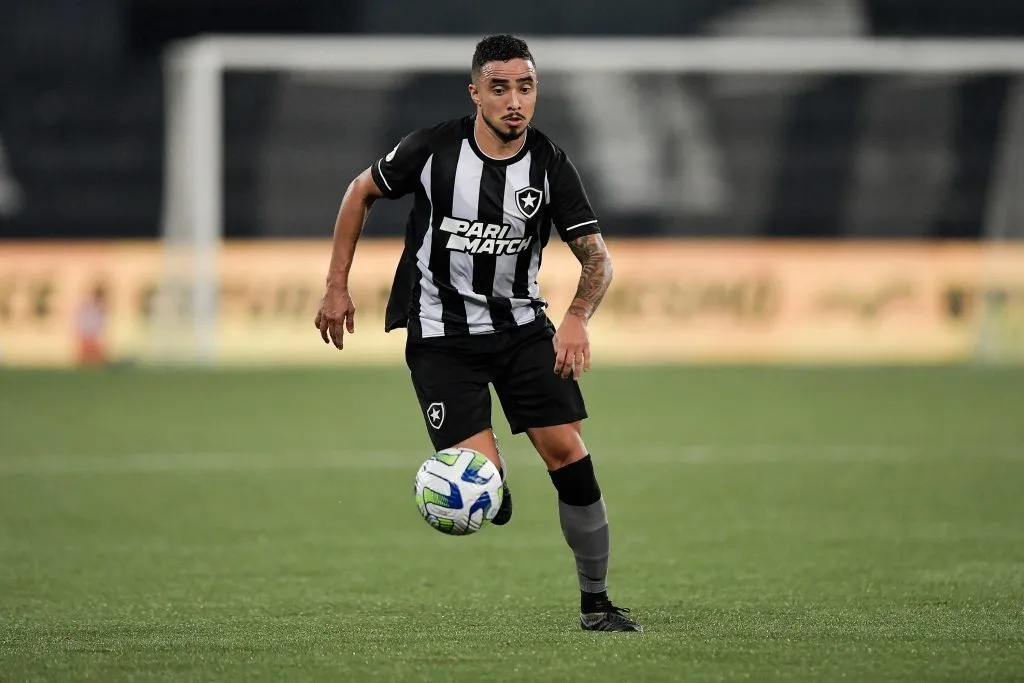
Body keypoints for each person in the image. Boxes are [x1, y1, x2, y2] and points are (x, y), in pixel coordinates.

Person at [314, 34, 642, 633]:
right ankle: (492, 479)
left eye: (525, 87)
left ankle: (596, 603)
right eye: (499, 88)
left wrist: (574, 319)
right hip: (440, 336)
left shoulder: (549, 164)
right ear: (476, 94)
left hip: (521, 330)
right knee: (479, 487)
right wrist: (337, 286)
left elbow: (598, 259)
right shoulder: (433, 149)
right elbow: (359, 192)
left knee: (569, 455)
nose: (514, 101)